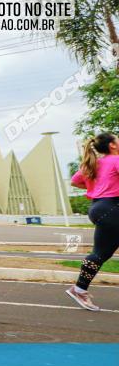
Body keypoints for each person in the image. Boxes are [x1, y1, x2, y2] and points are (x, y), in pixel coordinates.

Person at [68, 132, 119, 310]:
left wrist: (95, 186)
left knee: (100, 254)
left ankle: (79, 289)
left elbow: (75, 181)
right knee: (100, 253)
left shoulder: (94, 163)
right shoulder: (116, 160)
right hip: (112, 207)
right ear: (112, 145)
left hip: (99, 208)